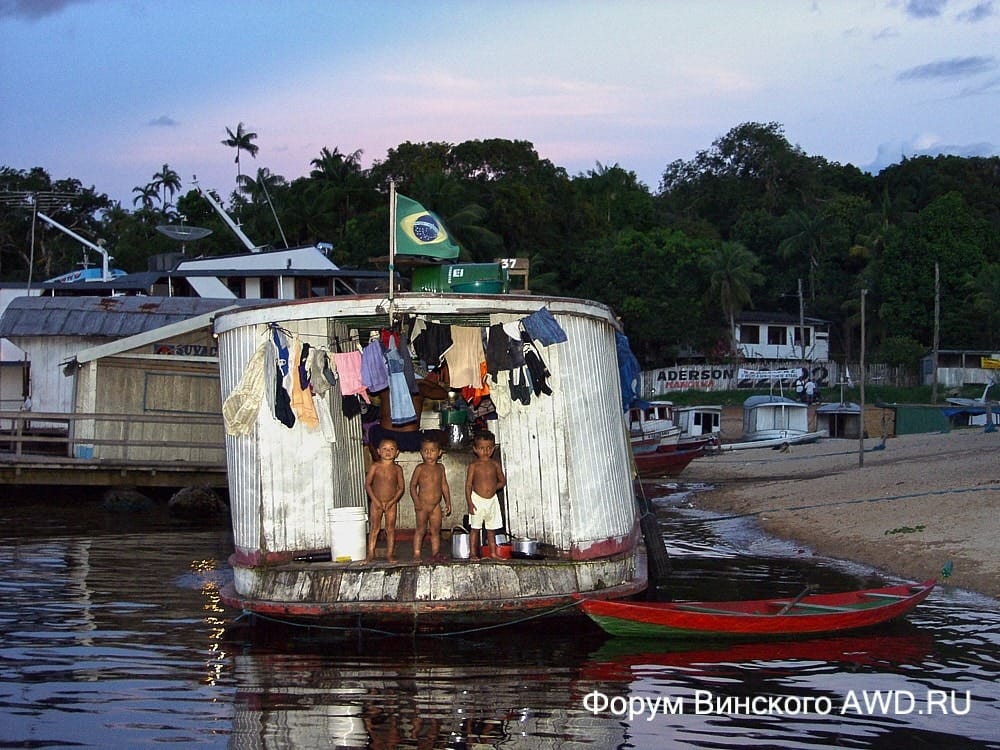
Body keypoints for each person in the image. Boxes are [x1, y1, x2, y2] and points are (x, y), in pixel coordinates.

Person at [409, 436, 452, 562]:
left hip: (435, 506)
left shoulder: (440, 468)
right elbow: (412, 486)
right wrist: (416, 501)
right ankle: (416, 554)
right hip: (422, 505)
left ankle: (436, 553)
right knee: (420, 530)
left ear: (439, 453)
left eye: (432, 450)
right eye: (425, 451)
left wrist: (448, 501)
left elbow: (444, 485)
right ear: (421, 452)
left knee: (435, 531)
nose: (428, 453)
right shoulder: (420, 468)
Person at [465, 430, 507, 559]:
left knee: (491, 529)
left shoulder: (495, 464)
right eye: (482, 448)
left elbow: (502, 481)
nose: (486, 451)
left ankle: (493, 553)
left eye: (489, 448)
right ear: (475, 449)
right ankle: (473, 553)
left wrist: (494, 488)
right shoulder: (474, 466)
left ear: (493, 448)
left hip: (492, 501)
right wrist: (470, 503)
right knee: (475, 529)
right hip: (477, 500)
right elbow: (468, 485)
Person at [365, 437, 405, 562]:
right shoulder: (375, 466)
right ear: (378, 451)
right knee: (375, 528)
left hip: (391, 503)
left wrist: (392, 501)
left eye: (391, 449)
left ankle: (389, 554)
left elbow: (401, 488)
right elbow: (368, 485)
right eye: (385, 449)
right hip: (376, 502)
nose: (388, 452)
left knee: (390, 529)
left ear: (397, 452)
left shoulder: (397, 469)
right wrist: (375, 501)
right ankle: (370, 554)